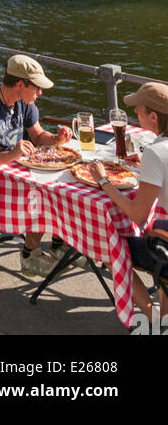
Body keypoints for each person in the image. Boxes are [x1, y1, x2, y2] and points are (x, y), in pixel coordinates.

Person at [0, 54, 73, 277]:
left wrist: (57, 139)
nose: (40, 93)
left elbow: (38, 136)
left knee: (60, 183)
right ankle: (31, 255)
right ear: (20, 84)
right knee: (38, 192)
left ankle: (60, 244)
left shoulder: (24, 102)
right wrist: (12, 154)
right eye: (37, 88)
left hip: (9, 173)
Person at [92, 82, 168, 318]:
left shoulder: (156, 152)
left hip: (165, 246)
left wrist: (103, 181)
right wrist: (145, 162)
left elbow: (137, 215)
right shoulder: (154, 153)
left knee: (107, 244)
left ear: (153, 117)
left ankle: (151, 317)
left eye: (139, 109)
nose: (135, 113)